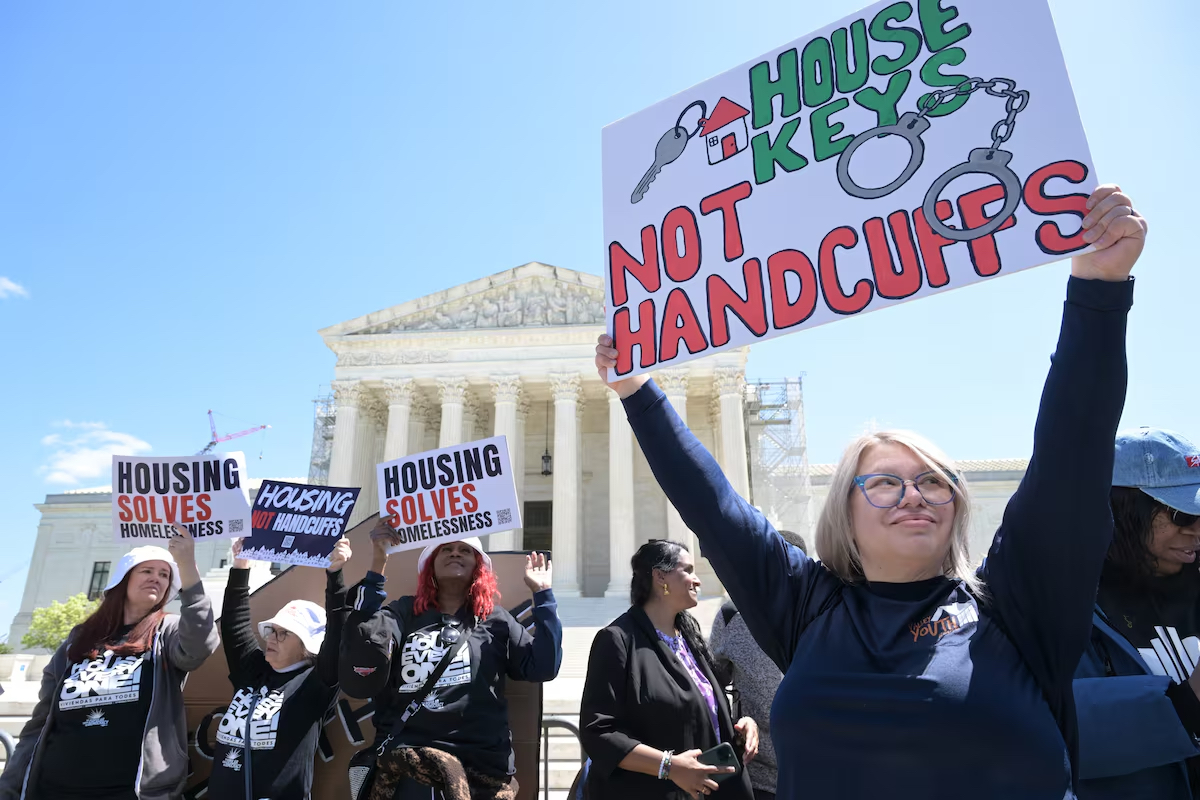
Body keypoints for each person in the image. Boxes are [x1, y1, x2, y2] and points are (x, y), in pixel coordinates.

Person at [594, 184, 1146, 799]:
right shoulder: (807, 608)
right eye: (885, 482)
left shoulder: (1017, 604)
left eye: (934, 481)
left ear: (958, 507)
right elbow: (713, 506)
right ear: (844, 514)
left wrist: (1099, 290)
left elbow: (1074, 449)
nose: (914, 494)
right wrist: (637, 390)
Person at [340, 521, 563, 800]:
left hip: (479, 771)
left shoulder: (496, 620)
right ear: (431, 566)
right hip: (409, 769)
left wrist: (543, 596)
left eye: (464, 550)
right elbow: (363, 638)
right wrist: (378, 562)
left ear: (478, 566)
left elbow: (544, 666)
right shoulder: (404, 611)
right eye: (445, 549)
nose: (455, 553)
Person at [0, 525, 218, 800]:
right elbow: (40, 723)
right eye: (147, 571)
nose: (156, 578)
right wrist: (9, 786)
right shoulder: (79, 638)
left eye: (164, 574)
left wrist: (187, 567)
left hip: (131, 791)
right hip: (53, 788)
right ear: (122, 580)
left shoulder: (168, 630)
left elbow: (199, 645)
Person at [1074, 428, 1200, 799]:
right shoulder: (1062, 603)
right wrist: (1187, 701)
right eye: (1182, 514)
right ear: (1119, 509)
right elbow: (1046, 731)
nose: (1198, 529)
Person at [580, 539, 758, 800]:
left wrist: (740, 726)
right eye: (687, 570)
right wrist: (669, 766)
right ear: (660, 577)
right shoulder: (617, 640)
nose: (697, 580)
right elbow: (598, 731)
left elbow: (691, 712)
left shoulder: (690, 634)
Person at [206, 536, 353, 799]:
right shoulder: (253, 671)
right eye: (272, 630)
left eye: (284, 633)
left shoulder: (315, 685)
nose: (271, 638)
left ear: (307, 646)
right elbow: (234, 626)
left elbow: (338, 634)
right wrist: (241, 565)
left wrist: (335, 574)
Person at [709, 530, 806, 800]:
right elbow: (712, 686)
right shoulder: (732, 617)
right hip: (757, 777)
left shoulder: (827, 613)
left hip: (816, 772)